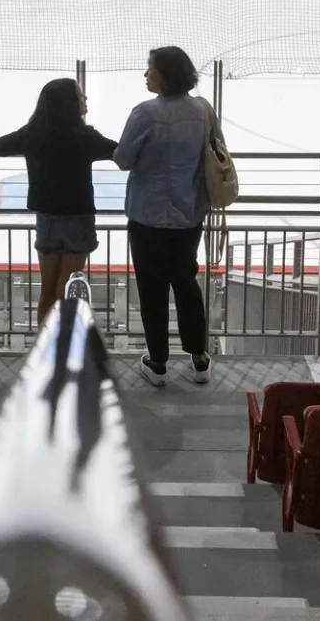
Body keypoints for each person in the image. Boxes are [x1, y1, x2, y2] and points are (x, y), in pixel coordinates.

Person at [113, 45, 213, 387]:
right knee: (186, 283)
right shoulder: (202, 110)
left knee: (152, 289)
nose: (146, 74)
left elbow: (123, 158)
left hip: (148, 217)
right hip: (188, 214)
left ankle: (157, 362)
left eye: (150, 68)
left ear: (165, 74)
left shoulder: (144, 113)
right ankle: (199, 358)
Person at [0, 78, 116, 327]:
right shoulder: (85, 137)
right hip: (77, 218)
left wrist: (29, 137)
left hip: (46, 218)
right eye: (81, 96)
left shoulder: (33, 135)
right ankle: (62, 348)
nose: (85, 99)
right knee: (67, 287)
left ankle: (44, 344)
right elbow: (119, 152)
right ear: (70, 104)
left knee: (47, 289)